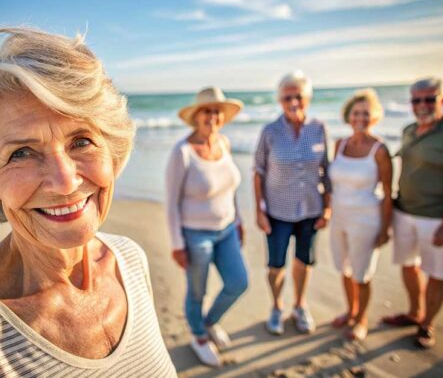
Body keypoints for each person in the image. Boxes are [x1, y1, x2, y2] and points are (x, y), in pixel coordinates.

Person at [0, 28, 176, 377]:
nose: (64, 182)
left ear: (112, 150)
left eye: (81, 141)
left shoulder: (130, 261)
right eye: (22, 153)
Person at [382, 77, 443, 349]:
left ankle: (428, 323)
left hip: (438, 218)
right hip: (404, 212)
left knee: (438, 272)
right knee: (409, 264)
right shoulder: (409, 130)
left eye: (429, 99)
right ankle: (415, 311)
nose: (422, 105)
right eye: (417, 100)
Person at [165, 87, 248, 367]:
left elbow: (231, 188)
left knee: (238, 283)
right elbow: (171, 202)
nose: (212, 116)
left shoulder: (224, 143)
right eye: (206, 111)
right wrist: (177, 244)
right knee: (197, 291)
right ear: (196, 117)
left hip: (227, 231)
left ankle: (210, 321)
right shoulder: (183, 152)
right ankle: (198, 335)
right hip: (195, 235)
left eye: (216, 112)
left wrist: (239, 220)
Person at [254, 71, 331, 335]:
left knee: (304, 261)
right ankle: (277, 306)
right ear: (280, 100)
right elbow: (259, 171)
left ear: (307, 98)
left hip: (311, 209)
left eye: (298, 96)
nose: (293, 101)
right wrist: (259, 211)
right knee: (276, 265)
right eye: (288, 97)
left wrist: (328, 206)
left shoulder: (319, 128)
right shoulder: (270, 131)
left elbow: (326, 169)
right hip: (277, 211)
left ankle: (299, 305)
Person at [328, 88, 392, 341]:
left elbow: (388, 192)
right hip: (339, 218)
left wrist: (385, 228)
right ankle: (351, 311)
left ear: (374, 116)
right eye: (356, 113)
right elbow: (334, 184)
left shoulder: (380, 150)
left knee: (361, 273)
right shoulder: (340, 145)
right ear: (348, 115)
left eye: (366, 113)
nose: (360, 118)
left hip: (366, 219)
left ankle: (361, 320)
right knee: (343, 269)